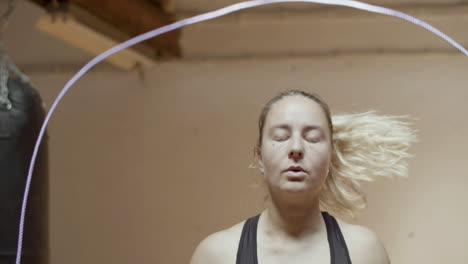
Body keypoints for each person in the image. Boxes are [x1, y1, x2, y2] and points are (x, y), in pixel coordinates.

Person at [190, 89, 415, 264]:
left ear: (331, 157)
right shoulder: (217, 255)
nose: (296, 148)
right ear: (259, 157)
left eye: (313, 138)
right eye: (280, 137)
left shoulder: (364, 252)